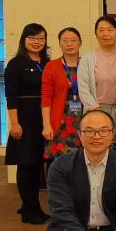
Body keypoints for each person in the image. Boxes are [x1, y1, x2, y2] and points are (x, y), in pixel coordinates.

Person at [6, 23, 50, 224]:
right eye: (32, 38)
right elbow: (11, 96)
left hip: (43, 118)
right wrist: (14, 123)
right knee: (26, 164)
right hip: (24, 119)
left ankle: (33, 206)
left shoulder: (47, 62)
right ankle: (29, 210)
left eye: (41, 38)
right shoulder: (16, 64)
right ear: (24, 39)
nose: (37, 42)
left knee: (37, 164)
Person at [41, 26, 84, 160]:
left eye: (73, 40)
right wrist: (46, 125)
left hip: (84, 120)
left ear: (80, 43)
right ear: (59, 44)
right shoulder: (51, 66)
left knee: (83, 161)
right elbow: (46, 97)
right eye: (65, 40)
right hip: (60, 120)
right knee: (61, 161)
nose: (69, 44)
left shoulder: (87, 64)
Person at [77, 15, 116, 112]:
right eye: (101, 30)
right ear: (96, 34)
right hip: (96, 109)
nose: (106, 34)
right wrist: (95, 109)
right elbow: (83, 89)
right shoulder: (87, 59)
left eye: (110, 30)